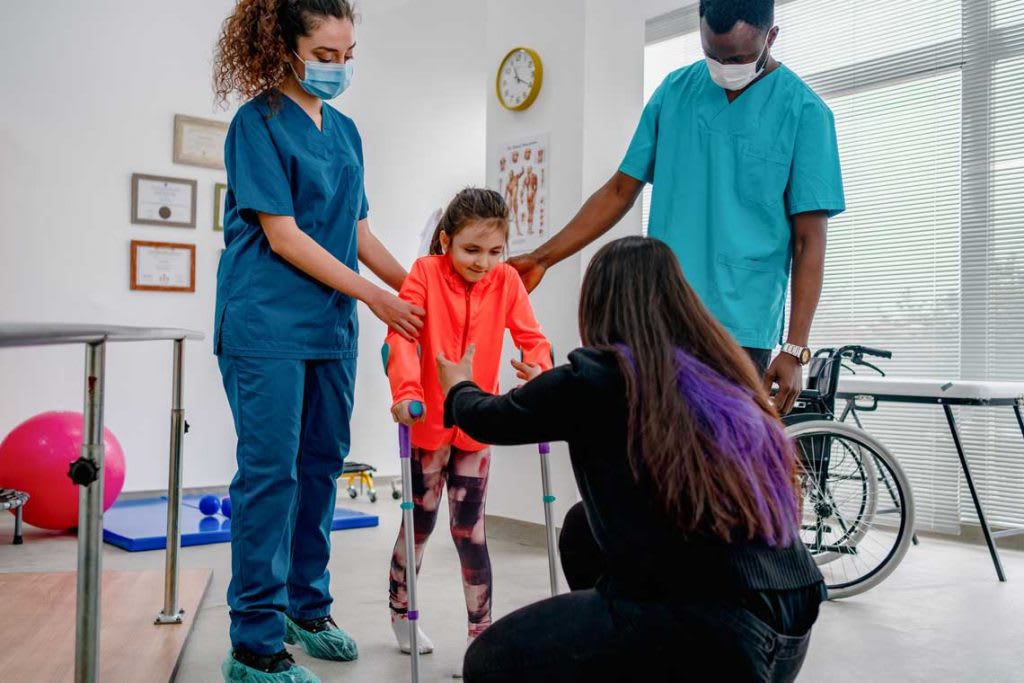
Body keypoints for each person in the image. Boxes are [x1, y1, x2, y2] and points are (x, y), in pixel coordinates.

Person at [440, 236, 825, 682]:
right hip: (789, 628)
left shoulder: (597, 377)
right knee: (584, 527)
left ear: (598, 305)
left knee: (489, 662)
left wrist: (458, 385)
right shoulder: (718, 376)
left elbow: (489, 420)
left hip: (721, 636)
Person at [212, 1, 424, 680]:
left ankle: (308, 606)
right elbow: (284, 234)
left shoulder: (348, 132)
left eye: (348, 54)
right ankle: (254, 641)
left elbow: (357, 234)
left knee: (321, 466)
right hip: (266, 323)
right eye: (325, 56)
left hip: (330, 328)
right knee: (271, 475)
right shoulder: (258, 124)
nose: (339, 68)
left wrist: (426, 286)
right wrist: (376, 298)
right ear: (285, 48)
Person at [508, 0, 845, 414]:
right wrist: (543, 258)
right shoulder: (675, 92)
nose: (724, 67)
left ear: (770, 38)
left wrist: (794, 349)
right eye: (712, 55)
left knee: (721, 463)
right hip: (659, 313)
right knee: (651, 453)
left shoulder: (806, 113)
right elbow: (619, 190)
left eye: (738, 57)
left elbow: (809, 242)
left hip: (740, 326)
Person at [384, 188, 553, 675]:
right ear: (446, 241)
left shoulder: (507, 282)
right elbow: (401, 334)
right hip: (426, 419)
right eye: (470, 250)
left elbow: (532, 338)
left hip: (477, 420)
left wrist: (539, 368)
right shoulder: (424, 275)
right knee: (418, 524)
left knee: (470, 531)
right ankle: (401, 612)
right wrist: (406, 391)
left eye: (495, 251)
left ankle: (481, 634)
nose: (483, 262)